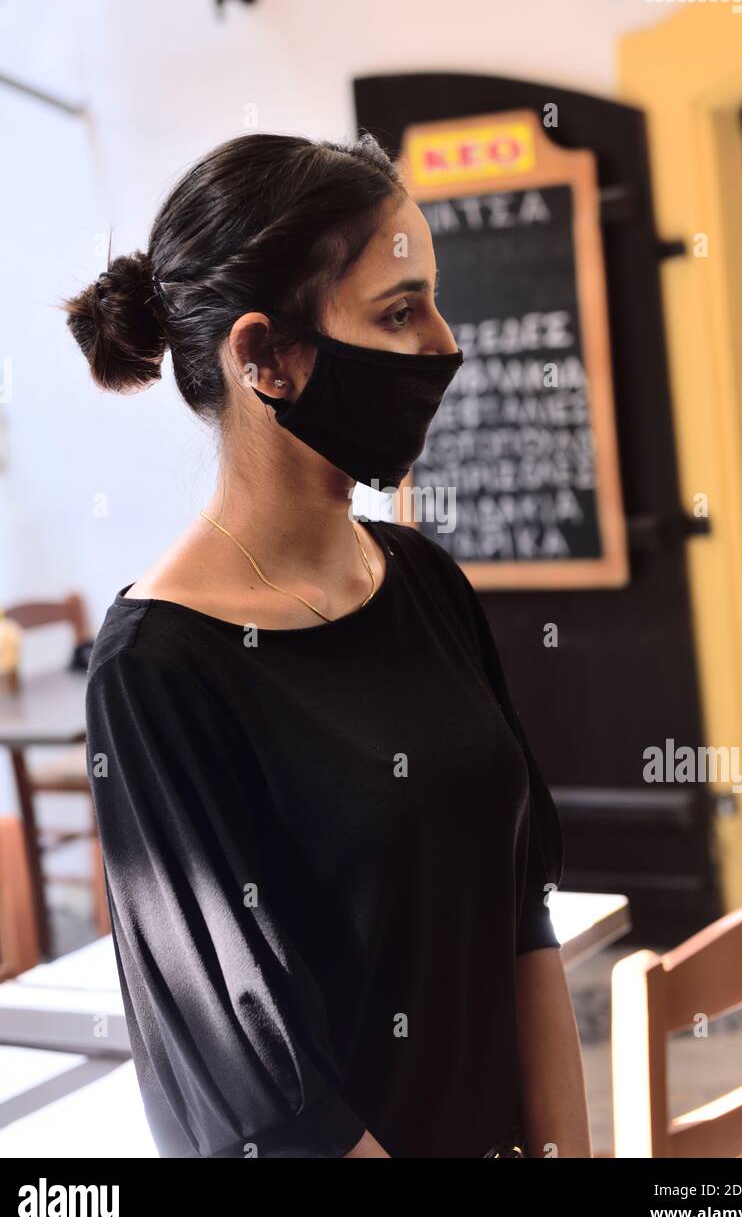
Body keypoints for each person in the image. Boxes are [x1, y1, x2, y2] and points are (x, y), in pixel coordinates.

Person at [62, 130, 592, 1158]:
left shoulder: (424, 581)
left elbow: (519, 914)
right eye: (400, 311)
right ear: (265, 358)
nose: (445, 343)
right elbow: (270, 1099)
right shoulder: (157, 674)